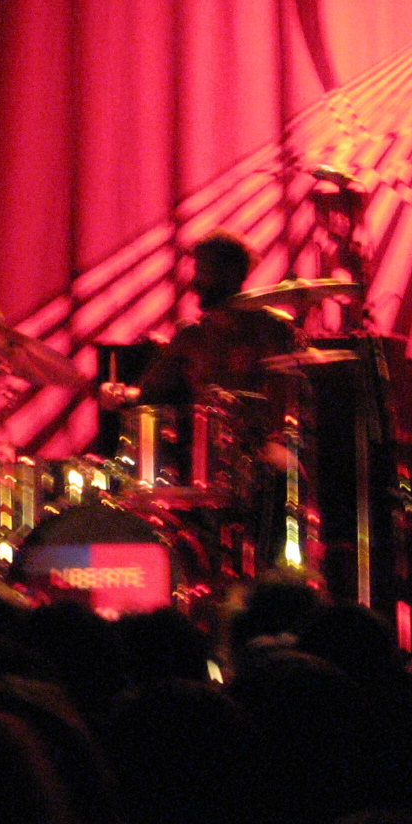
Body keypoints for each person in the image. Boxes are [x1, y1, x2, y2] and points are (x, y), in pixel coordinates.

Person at [98, 233, 303, 571]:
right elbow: (146, 395)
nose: (194, 284)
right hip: (200, 458)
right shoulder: (191, 336)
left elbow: (291, 398)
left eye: (202, 272)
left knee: (285, 478)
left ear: (230, 273)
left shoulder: (273, 330)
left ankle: (274, 571)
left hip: (260, 449)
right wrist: (117, 394)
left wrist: (268, 430)